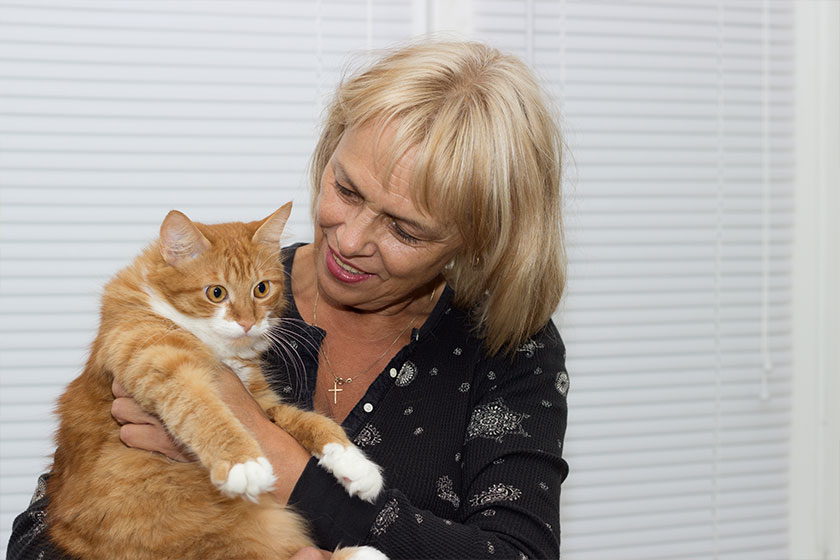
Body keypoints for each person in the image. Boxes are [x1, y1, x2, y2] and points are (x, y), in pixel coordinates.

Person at [8, 40, 569, 560]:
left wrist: (277, 456)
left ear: (478, 240)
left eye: (405, 229)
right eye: (346, 189)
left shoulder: (509, 347)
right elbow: (39, 537)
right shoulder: (213, 302)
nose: (350, 240)